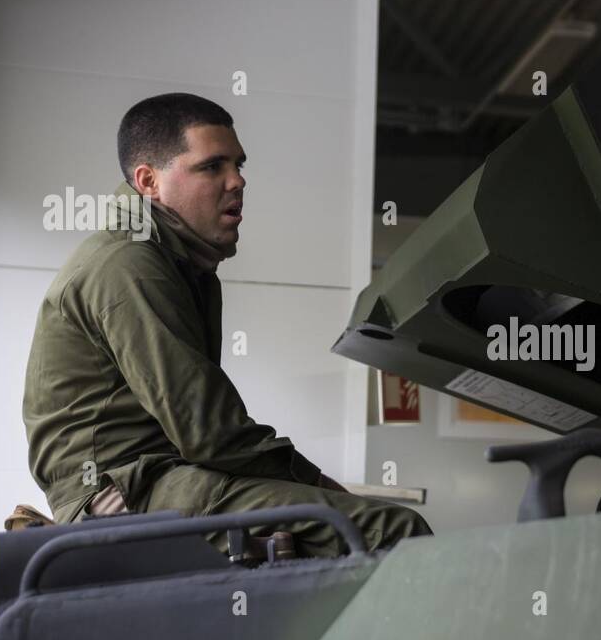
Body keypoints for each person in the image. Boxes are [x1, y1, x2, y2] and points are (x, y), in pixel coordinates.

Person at [23, 93, 431, 555]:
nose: (236, 181)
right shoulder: (131, 264)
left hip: (157, 478)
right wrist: (320, 484)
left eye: (238, 165)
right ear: (148, 181)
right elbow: (208, 431)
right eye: (211, 167)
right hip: (125, 494)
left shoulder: (174, 262)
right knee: (393, 532)